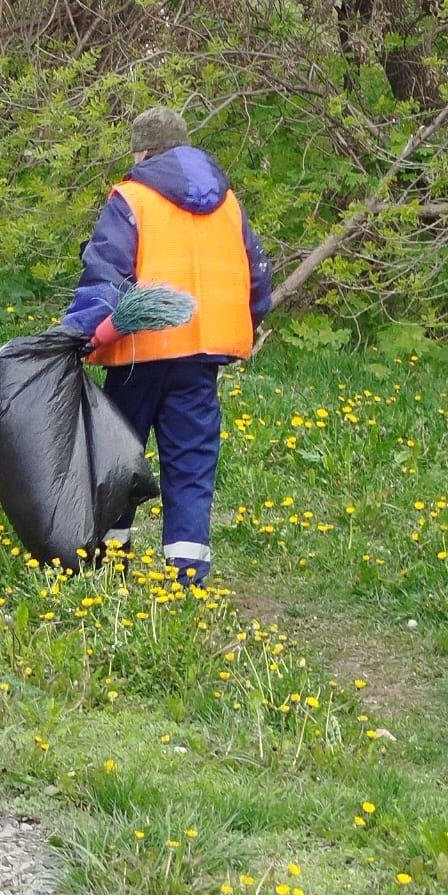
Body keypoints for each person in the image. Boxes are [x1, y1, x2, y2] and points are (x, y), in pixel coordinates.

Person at [62, 105, 272, 585]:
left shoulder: (132, 199)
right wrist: (252, 321)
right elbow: (258, 281)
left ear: (142, 151)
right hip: (200, 362)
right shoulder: (229, 205)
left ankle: (111, 564)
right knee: (191, 466)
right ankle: (187, 575)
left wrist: (76, 335)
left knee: (119, 459)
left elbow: (105, 276)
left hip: (138, 357)